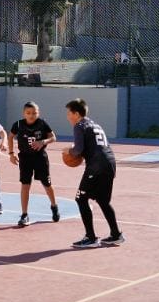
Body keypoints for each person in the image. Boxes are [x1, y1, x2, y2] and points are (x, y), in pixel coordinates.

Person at [65, 98, 122, 248]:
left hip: (96, 166)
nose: (67, 116)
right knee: (103, 201)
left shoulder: (79, 125)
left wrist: (68, 151)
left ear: (76, 113)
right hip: (110, 163)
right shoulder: (94, 124)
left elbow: (77, 150)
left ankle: (90, 237)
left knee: (81, 199)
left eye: (69, 113)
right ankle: (116, 235)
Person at [9, 101, 60, 227]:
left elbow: (53, 137)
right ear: (24, 113)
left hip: (40, 158)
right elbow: (10, 137)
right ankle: (24, 214)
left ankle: (54, 206)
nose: (31, 115)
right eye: (28, 113)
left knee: (46, 184)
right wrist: (11, 153)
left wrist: (43, 141)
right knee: (25, 185)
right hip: (25, 158)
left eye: (34, 113)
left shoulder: (42, 123)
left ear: (38, 113)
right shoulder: (18, 124)